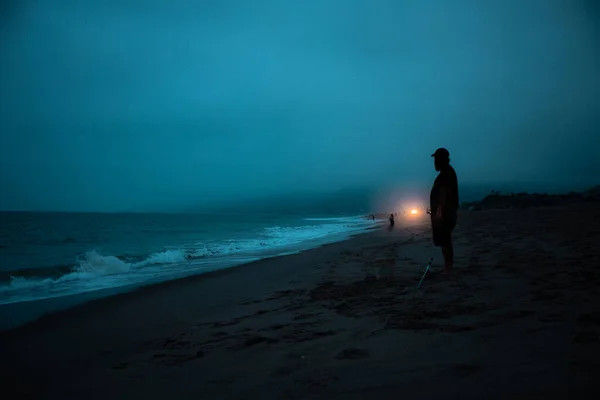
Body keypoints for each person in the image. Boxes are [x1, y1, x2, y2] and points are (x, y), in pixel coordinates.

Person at [430, 148, 459, 274]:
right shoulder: (447, 173)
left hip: (446, 214)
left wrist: (438, 213)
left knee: (445, 240)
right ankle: (448, 267)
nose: (434, 163)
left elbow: (443, 195)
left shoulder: (446, 174)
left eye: (436, 160)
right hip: (448, 213)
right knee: (445, 240)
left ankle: (448, 269)